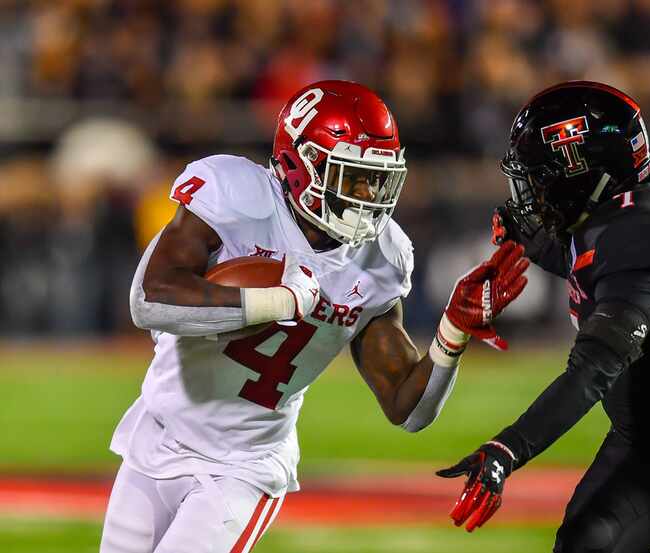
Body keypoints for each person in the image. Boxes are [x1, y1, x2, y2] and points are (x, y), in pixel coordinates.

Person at [100, 80, 529, 553]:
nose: (369, 195)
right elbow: (150, 300)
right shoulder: (236, 195)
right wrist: (277, 301)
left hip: (241, 465)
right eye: (353, 176)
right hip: (156, 432)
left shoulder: (380, 257)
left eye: (378, 178)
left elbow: (408, 409)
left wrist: (452, 331)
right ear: (299, 164)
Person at [438, 81, 650, 553]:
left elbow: (591, 372)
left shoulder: (649, 234)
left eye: (541, 179)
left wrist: (507, 449)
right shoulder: (614, 207)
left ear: (585, 174)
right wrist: (530, 243)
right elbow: (594, 256)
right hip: (645, 449)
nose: (531, 193)